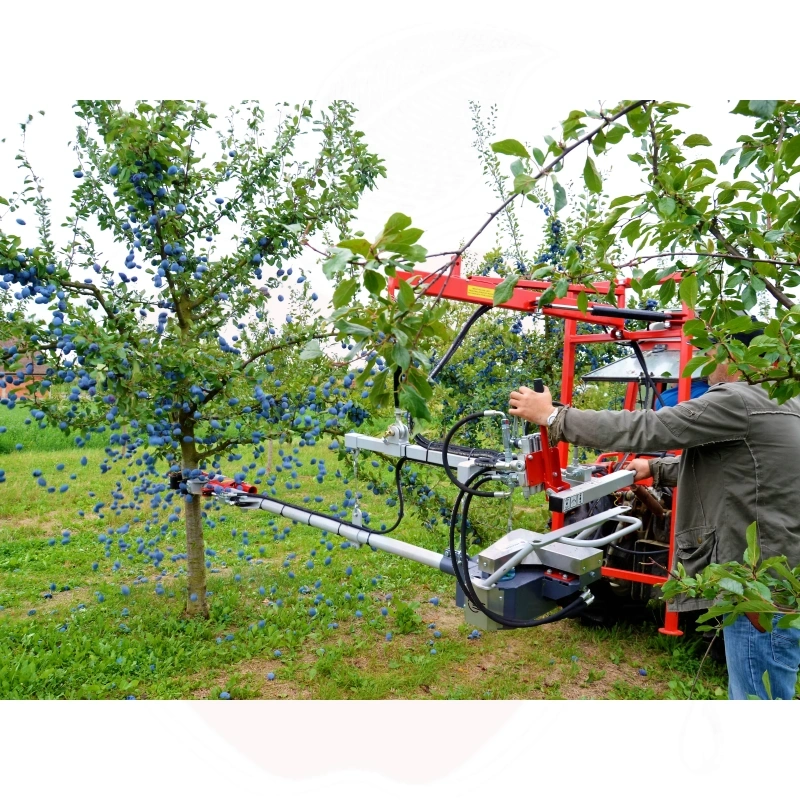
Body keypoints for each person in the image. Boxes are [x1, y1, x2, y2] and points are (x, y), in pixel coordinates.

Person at [508, 336, 800, 700]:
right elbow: (735, 466)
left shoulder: (737, 400)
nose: (705, 367)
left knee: (757, 701)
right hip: (781, 572)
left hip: (758, 586)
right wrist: (657, 468)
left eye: (711, 356)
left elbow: (646, 427)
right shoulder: (786, 401)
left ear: (739, 357)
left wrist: (553, 416)